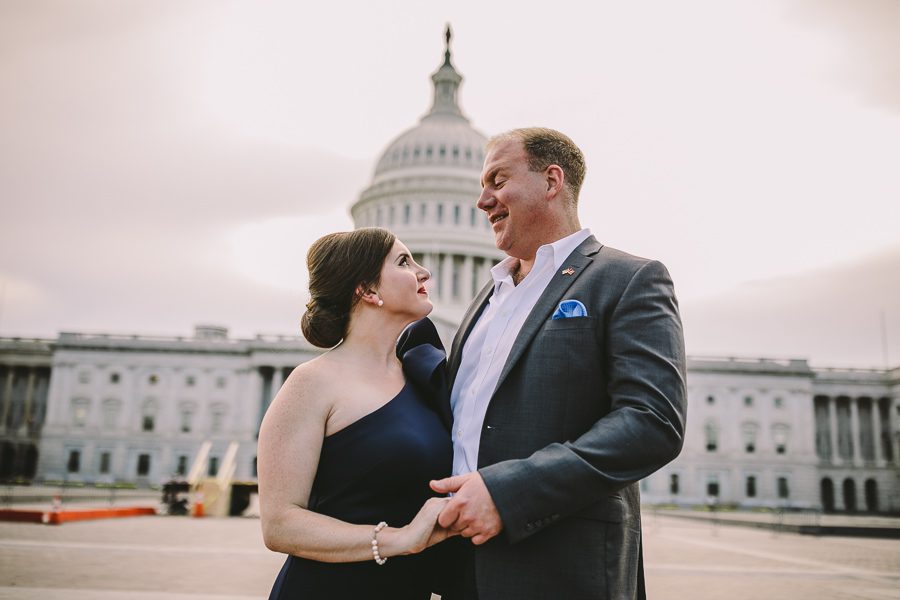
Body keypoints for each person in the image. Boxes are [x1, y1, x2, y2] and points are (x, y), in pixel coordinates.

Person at [430, 128, 688, 599]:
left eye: (498, 181)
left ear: (552, 181)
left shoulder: (627, 279)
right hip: (461, 570)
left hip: (562, 570)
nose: (482, 201)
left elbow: (652, 422)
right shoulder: (486, 298)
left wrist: (508, 493)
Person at [258, 227, 456, 600]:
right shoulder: (312, 382)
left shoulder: (422, 377)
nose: (424, 272)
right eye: (404, 262)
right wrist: (399, 539)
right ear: (367, 290)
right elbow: (279, 524)